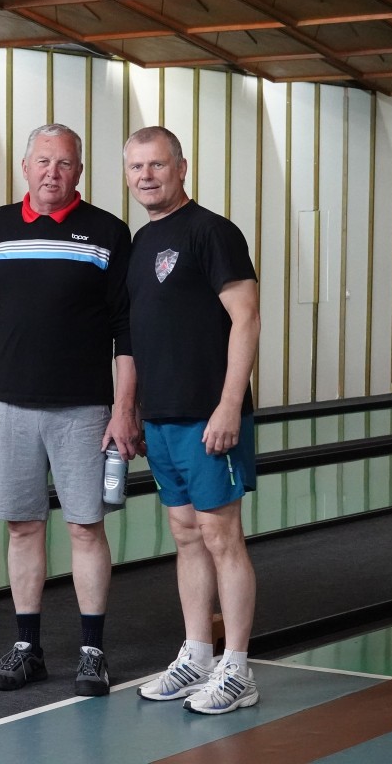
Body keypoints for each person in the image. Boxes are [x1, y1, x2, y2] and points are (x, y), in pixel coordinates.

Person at [0, 123, 138, 697]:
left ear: (79, 171)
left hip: (84, 408)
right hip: (10, 404)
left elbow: (125, 327)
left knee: (85, 527)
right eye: (43, 161)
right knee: (23, 527)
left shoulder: (108, 231)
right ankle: (26, 647)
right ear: (25, 167)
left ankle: (92, 651)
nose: (53, 172)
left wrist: (123, 407)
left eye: (65, 163)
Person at [123, 126, 261, 715]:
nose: (146, 176)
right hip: (161, 415)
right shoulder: (141, 241)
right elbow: (138, 332)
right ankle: (198, 654)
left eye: (157, 165)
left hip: (209, 415)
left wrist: (229, 404)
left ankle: (237, 668)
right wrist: (131, 408)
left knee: (221, 535)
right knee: (185, 534)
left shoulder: (212, 232)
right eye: (136, 167)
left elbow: (247, 318)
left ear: (182, 167)